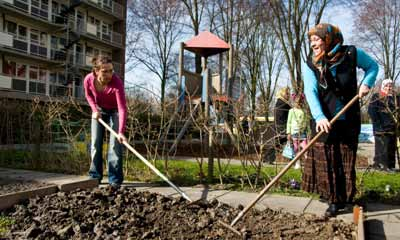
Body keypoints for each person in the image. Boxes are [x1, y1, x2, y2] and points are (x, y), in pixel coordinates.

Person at [302, 23, 378, 217]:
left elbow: (372, 67)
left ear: (329, 39)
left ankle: (346, 198)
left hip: (348, 118)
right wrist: (319, 116)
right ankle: (334, 201)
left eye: (316, 39)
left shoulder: (351, 54)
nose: (313, 44)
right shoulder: (310, 63)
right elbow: (310, 91)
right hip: (324, 122)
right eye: (311, 41)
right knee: (328, 161)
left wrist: (366, 84)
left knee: (345, 160)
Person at [84, 55, 127, 188]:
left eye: (110, 70)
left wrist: (120, 132)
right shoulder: (88, 80)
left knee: (115, 144)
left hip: (114, 111)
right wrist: (94, 109)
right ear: (96, 71)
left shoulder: (116, 82)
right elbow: (88, 95)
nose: (109, 74)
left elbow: (122, 108)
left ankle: (114, 179)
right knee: (96, 143)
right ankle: (95, 176)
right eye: (105, 71)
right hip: (99, 111)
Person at [368, 79, 399, 171]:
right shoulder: (377, 97)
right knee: (382, 148)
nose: (389, 88)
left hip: (392, 128)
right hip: (381, 128)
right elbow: (372, 111)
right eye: (387, 86)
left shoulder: (395, 98)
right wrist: (378, 125)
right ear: (383, 86)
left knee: (391, 147)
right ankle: (381, 165)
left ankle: (390, 166)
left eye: (390, 86)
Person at [286, 93, 310, 169]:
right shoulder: (291, 111)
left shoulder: (304, 111)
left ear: (302, 102)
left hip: (302, 133)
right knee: (296, 149)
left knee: (306, 148)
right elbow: (289, 122)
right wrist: (288, 133)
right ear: (294, 102)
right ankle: (297, 163)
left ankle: (307, 162)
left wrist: (307, 131)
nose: (298, 104)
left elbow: (306, 121)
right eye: (297, 102)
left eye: (300, 102)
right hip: (294, 133)